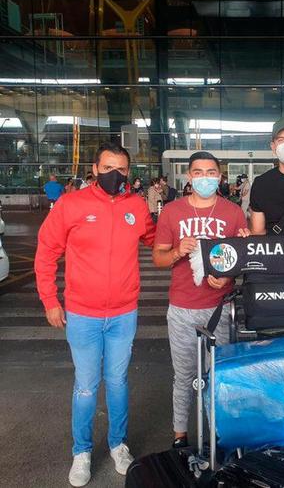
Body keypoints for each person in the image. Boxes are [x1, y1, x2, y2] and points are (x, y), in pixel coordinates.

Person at [34, 143, 156, 487]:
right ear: (95, 168)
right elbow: (46, 253)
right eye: (107, 168)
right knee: (86, 387)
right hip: (83, 314)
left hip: (123, 313)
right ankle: (82, 452)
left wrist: (189, 240)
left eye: (121, 168)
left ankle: (118, 445)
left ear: (128, 172)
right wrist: (50, 300)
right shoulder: (71, 205)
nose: (114, 174)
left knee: (117, 382)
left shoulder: (135, 205)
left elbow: (153, 239)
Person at [152, 151, 249, 450]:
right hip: (181, 308)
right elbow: (158, 258)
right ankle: (180, 435)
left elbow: (240, 262)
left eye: (211, 172)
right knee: (184, 375)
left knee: (219, 375)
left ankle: (218, 434)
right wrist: (179, 250)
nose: (204, 177)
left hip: (219, 308)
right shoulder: (171, 211)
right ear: (189, 176)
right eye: (198, 172)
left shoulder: (233, 213)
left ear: (219, 177)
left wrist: (230, 273)